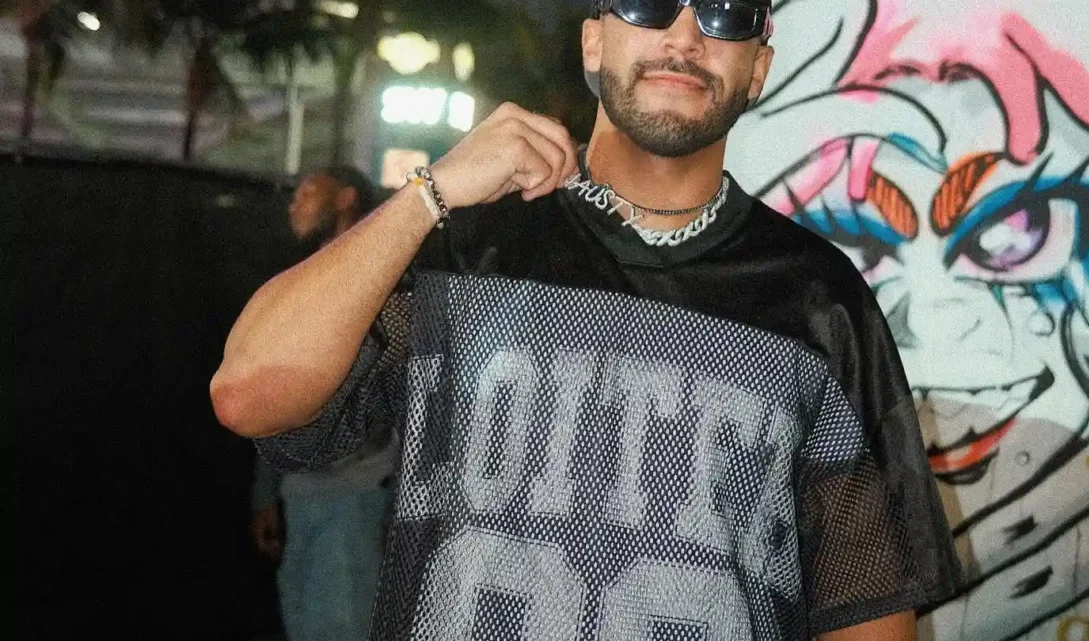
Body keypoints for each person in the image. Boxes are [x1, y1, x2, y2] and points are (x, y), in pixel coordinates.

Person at [212, 2, 962, 640]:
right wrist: (427, 193)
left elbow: (868, 607)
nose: (684, 35)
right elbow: (248, 392)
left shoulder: (819, 300)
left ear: (758, 67)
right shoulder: (467, 247)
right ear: (594, 41)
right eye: (647, 3)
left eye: (725, 12)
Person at [247, 166, 401, 641]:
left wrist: (398, 504)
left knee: (339, 627)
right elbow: (275, 391)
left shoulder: (386, 275)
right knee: (304, 623)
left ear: (345, 198)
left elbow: (406, 392)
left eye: (309, 191)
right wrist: (267, 492)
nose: (295, 202)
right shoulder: (299, 280)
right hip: (302, 492)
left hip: (358, 492)